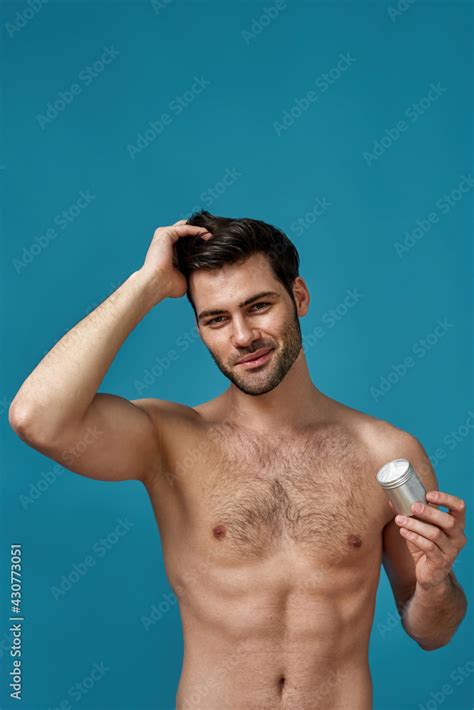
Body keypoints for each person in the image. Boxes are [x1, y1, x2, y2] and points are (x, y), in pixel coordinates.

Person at [9, 210, 467, 709]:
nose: (243, 335)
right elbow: (36, 418)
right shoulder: (169, 440)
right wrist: (145, 285)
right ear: (200, 329)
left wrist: (435, 582)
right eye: (216, 318)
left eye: (259, 306)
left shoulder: (386, 454)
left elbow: (433, 632)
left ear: (300, 297)